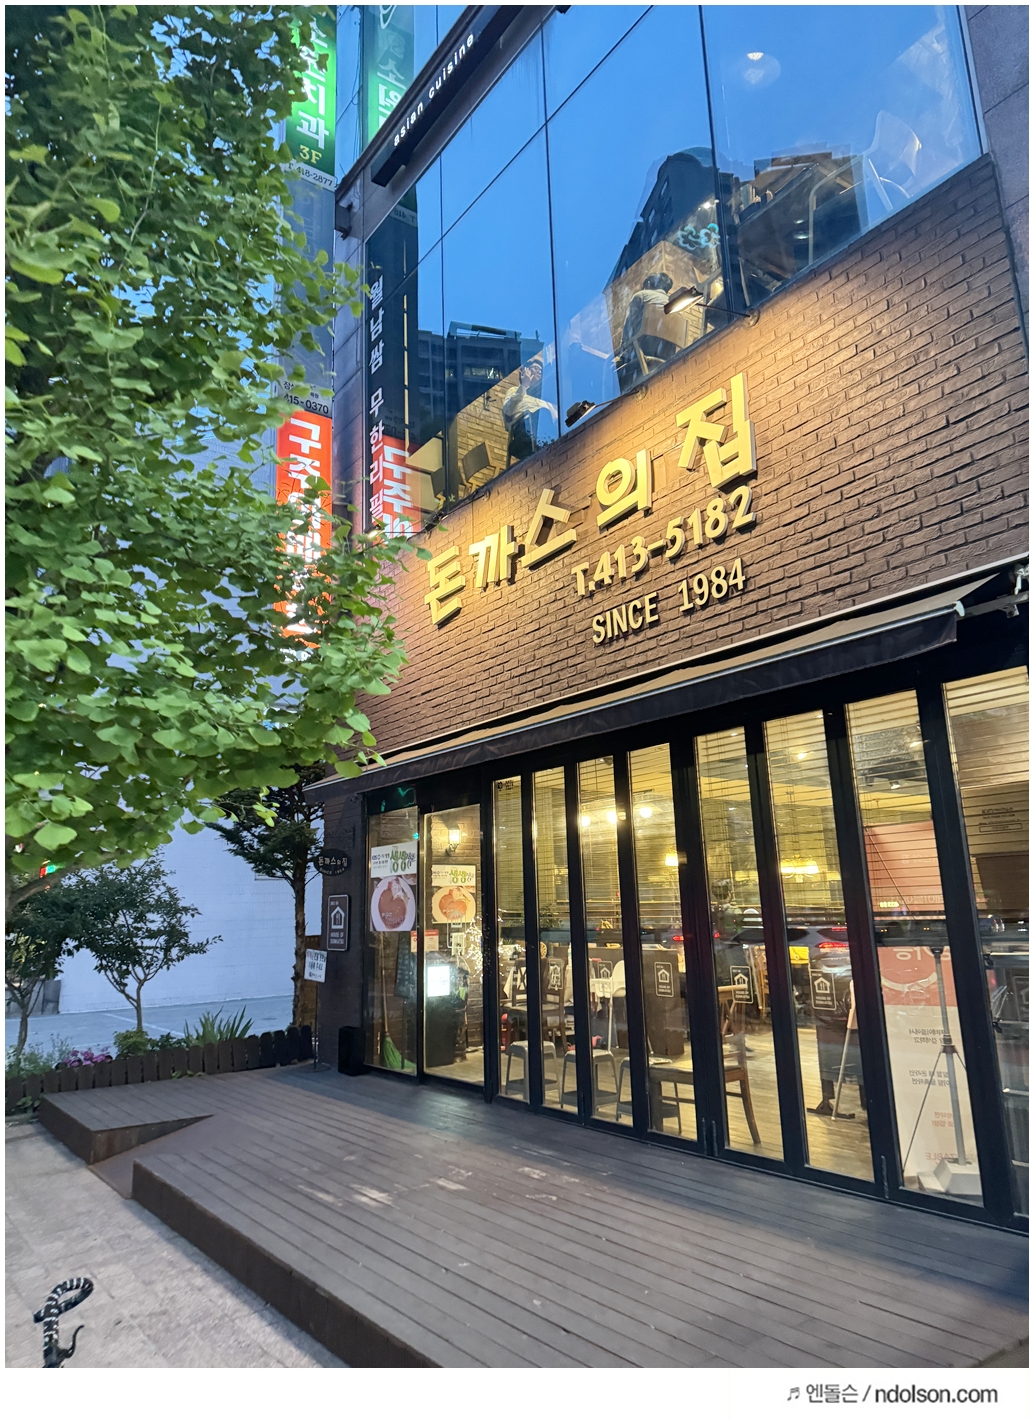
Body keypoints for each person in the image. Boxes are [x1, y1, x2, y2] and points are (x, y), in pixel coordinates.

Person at [502, 353, 557, 466]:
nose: (539, 372)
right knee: (543, 412)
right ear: (526, 371)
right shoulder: (515, 391)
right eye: (535, 368)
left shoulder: (544, 399)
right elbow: (508, 411)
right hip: (525, 428)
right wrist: (524, 386)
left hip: (547, 430)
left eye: (541, 370)